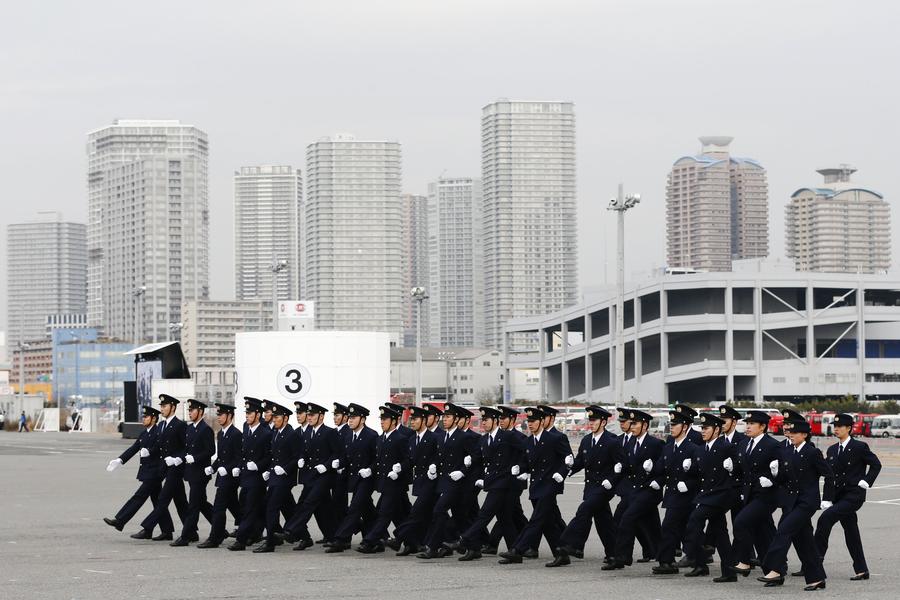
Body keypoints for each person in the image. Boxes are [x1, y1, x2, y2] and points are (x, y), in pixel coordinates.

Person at [757, 419, 832, 590]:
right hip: (791, 503)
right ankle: (817, 578)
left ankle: (774, 568)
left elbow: (829, 474)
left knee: (783, 530)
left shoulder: (813, 452)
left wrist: (827, 498)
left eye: (794, 432)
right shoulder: (787, 452)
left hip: (807, 502)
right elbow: (785, 480)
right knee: (804, 541)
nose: (790, 435)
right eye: (789, 432)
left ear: (804, 435)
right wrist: (775, 474)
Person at [549, 405, 621, 568]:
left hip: (604, 487)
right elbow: (580, 461)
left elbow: (621, 464)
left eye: (594, 420)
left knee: (584, 511)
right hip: (590, 487)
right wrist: (567, 470)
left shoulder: (612, 441)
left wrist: (612, 479)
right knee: (604, 522)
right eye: (590, 420)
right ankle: (615, 555)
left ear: (603, 422)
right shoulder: (587, 440)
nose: (591, 423)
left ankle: (567, 546)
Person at [498, 406, 570, 565]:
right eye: (528, 421)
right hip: (536, 486)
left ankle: (517, 550)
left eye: (534, 421)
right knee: (548, 522)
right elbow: (526, 462)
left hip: (550, 485)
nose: (530, 424)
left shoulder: (555, 439)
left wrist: (561, 473)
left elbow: (568, 459)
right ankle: (562, 553)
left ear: (543, 422)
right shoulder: (529, 441)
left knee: (537, 519)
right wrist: (520, 470)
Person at [814, 412, 881, 581]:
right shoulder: (832, 450)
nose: (836, 429)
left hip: (853, 496)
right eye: (834, 427)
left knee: (825, 519)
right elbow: (829, 476)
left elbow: (875, 464)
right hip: (837, 497)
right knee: (851, 532)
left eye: (839, 427)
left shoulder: (860, 447)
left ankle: (814, 562)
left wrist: (866, 481)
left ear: (849, 428)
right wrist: (827, 499)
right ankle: (861, 569)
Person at [447, 406, 520, 561]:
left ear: (494, 421)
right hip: (492, 482)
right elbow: (477, 458)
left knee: (484, 515)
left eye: (486, 420)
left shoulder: (507, 437)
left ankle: (464, 540)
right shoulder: (484, 439)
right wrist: (466, 465)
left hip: (504, 483)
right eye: (482, 420)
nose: (484, 423)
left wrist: (521, 468)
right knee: (505, 518)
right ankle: (515, 552)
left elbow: (525, 450)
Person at [681, 412, 740, 583]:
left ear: (716, 430)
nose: (702, 431)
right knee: (721, 533)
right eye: (702, 428)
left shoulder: (725, 446)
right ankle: (726, 571)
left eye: (706, 428)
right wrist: (688, 468)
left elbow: (740, 468)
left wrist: (732, 467)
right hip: (706, 495)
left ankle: (700, 556)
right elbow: (698, 473)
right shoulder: (701, 449)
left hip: (721, 494)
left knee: (694, 520)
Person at [603, 409, 665, 571]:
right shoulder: (630, 443)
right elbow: (627, 467)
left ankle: (622, 558)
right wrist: (615, 474)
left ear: (645, 425)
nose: (632, 427)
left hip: (649, 491)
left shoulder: (655, 444)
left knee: (628, 518)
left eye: (635, 423)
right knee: (647, 525)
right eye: (631, 423)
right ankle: (664, 556)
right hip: (634, 490)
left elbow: (665, 467)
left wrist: (657, 479)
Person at [103, 405, 174, 536]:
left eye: (146, 417)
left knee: (139, 497)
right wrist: (119, 460)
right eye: (143, 416)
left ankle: (120, 520)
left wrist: (151, 451)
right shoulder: (144, 433)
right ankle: (166, 531)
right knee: (157, 501)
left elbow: (161, 447)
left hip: (155, 473)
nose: (143, 418)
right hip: (148, 472)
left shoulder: (159, 431)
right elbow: (133, 448)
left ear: (153, 419)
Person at [418, 403, 477, 559]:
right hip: (444, 482)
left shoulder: (465, 437)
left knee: (438, 510)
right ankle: (472, 547)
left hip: (458, 484)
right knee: (460, 517)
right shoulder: (441, 437)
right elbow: (439, 457)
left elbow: (477, 458)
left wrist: (463, 471)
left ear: (456, 419)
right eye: (444, 416)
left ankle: (433, 547)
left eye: (448, 417)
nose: (445, 419)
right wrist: (433, 467)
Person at [280, 402, 342, 550]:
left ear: (321, 416)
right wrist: (302, 457)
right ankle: (334, 538)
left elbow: (338, 453)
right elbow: (305, 450)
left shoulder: (330, 432)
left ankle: (291, 531)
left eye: (312, 415)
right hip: (311, 475)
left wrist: (326, 465)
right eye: (308, 414)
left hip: (325, 476)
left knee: (309, 503)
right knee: (321, 508)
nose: (309, 417)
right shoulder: (307, 432)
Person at [732, 411, 781, 576]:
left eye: (752, 424)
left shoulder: (772, 445)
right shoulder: (745, 443)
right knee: (763, 535)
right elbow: (742, 470)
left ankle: (745, 560)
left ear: (763, 427)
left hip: (766, 496)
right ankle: (775, 571)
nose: (748, 426)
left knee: (740, 522)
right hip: (749, 495)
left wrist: (772, 479)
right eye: (747, 423)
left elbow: (784, 471)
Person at [651, 407, 700, 575]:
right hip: (673, 495)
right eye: (671, 424)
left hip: (687, 497)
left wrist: (689, 483)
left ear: (685, 427)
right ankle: (670, 562)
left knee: (675, 528)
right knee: (678, 529)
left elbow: (701, 474)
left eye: (676, 424)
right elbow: (661, 470)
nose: (672, 427)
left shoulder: (693, 448)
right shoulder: (669, 447)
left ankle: (670, 561)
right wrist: (651, 469)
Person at [356, 405, 411, 553]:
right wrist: (370, 469)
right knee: (400, 515)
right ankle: (412, 542)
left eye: (385, 419)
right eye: (381, 419)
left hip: (395, 483)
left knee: (384, 514)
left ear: (394, 421)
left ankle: (370, 541)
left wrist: (399, 468)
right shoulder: (380, 439)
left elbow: (408, 460)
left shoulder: (400, 439)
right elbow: (378, 461)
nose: (382, 422)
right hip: (384, 483)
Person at [387, 405, 441, 556]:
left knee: (416, 512)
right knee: (430, 516)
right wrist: (400, 467)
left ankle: (399, 537)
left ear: (424, 420)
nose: (412, 422)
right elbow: (410, 460)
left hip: (432, 482)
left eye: (415, 419)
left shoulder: (434, 438)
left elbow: (441, 457)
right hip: (420, 481)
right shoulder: (411, 439)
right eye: (411, 419)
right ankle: (429, 544)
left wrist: (434, 466)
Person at [134, 394, 189, 541]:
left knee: (162, 499)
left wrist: (178, 458)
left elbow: (187, 447)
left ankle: (147, 528)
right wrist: (149, 451)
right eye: (161, 406)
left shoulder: (180, 425)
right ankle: (191, 531)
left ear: (173, 407)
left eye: (165, 406)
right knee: (181, 502)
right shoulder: (163, 425)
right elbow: (159, 446)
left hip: (176, 468)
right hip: (165, 468)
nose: (162, 409)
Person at [326, 403, 378, 552]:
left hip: (367, 479)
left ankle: (340, 539)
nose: (350, 420)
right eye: (349, 417)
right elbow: (346, 457)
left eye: (354, 417)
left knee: (355, 508)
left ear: (362, 419)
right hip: (353, 478)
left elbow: (377, 459)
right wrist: (338, 462)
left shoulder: (371, 435)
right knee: (368, 510)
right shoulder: (348, 435)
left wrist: (370, 469)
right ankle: (377, 539)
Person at [227, 397, 273, 551]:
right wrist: (239, 466)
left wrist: (258, 466)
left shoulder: (266, 433)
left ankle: (241, 539)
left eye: (250, 413)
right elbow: (242, 453)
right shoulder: (245, 429)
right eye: (246, 413)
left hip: (257, 478)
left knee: (250, 508)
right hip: (246, 476)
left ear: (258, 414)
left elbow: (270, 456)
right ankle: (256, 534)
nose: (247, 415)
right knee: (252, 506)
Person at [254, 402, 299, 552]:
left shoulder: (292, 434)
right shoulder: (275, 433)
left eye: (277, 417)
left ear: (285, 418)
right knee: (289, 508)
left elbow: (296, 457)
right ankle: (304, 536)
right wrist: (269, 470)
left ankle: (270, 542)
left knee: (271, 507)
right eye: (273, 417)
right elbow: (273, 456)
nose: (274, 420)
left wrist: (285, 469)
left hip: (285, 478)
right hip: (275, 477)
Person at [484, 405, 529, 555]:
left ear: (513, 419)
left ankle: (494, 543)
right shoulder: (499, 436)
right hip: (502, 482)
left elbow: (527, 455)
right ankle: (527, 543)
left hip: (514, 482)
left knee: (505, 513)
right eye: (500, 418)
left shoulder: (520, 437)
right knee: (513, 513)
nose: (501, 421)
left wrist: (523, 469)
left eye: (504, 418)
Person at [170, 399, 215, 547]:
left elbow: (210, 451)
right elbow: (186, 449)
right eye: (189, 410)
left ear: (200, 412)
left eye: (192, 410)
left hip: (201, 474)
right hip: (190, 473)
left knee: (193, 505)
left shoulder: (205, 429)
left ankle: (186, 536)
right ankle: (219, 527)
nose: (190, 413)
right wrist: (180, 458)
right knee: (201, 503)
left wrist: (195, 458)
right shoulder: (189, 429)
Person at [198, 402, 242, 548]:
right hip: (222, 477)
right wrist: (213, 468)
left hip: (230, 478)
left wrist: (228, 468)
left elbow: (239, 457)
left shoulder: (236, 434)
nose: (219, 417)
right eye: (218, 415)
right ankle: (252, 529)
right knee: (235, 507)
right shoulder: (222, 433)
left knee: (218, 507)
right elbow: (221, 458)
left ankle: (215, 538)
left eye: (221, 415)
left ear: (230, 416)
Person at [331, 402, 353, 529]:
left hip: (344, 473)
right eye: (334, 415)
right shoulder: (335, 431)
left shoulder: (348, 432)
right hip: (334, 473)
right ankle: (337, 533)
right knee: (334, 505)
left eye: (337, 415)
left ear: (345, 417)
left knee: (340, 504)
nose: (334, 417)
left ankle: (343, 535)